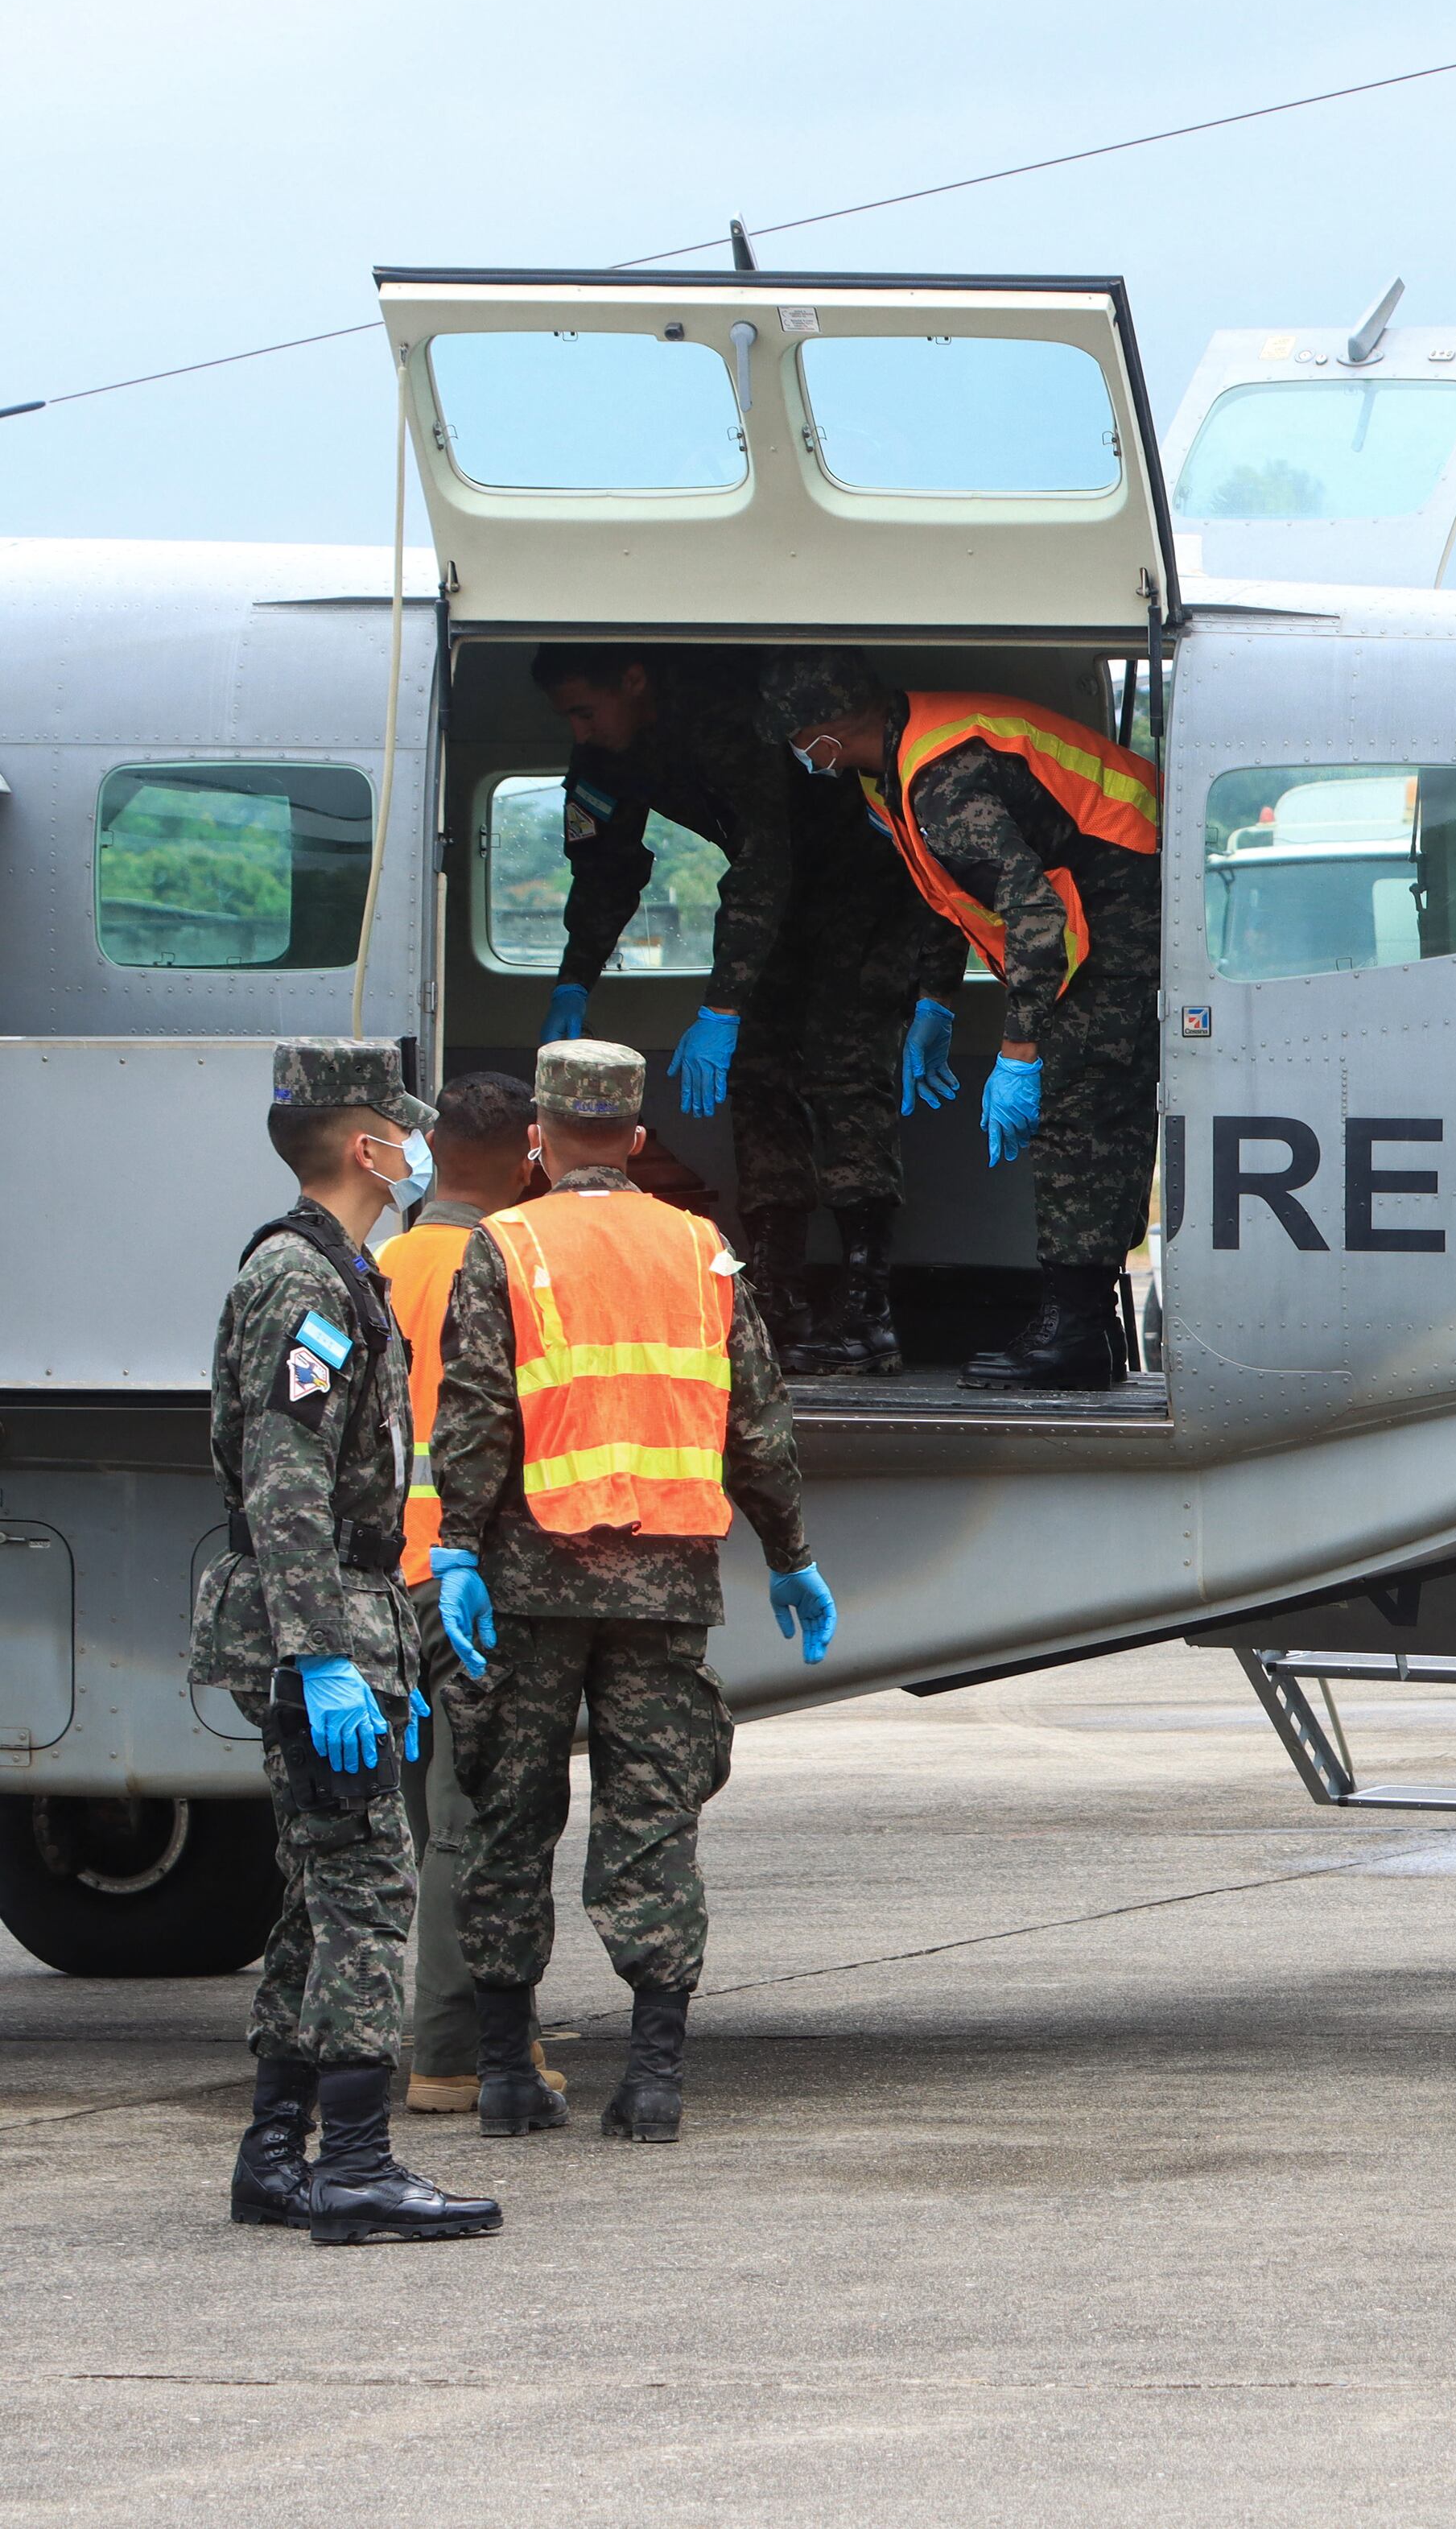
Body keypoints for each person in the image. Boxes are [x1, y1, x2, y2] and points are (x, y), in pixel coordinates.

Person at [426, 1041, 837, 2144]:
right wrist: (790, 1549)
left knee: (509, 1817)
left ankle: (510, 2074)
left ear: (536, 1141)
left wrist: (456, 1548)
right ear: (641, 1140)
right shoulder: (701, 1249)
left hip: (528, 1580)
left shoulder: (505, 1246)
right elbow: (758, 1417)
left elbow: (474, 1412)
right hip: (667, 1586)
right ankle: (653, 2081)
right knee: (653, 1819)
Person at [198, 1039, 501, 2245]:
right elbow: (285, 1478)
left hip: (349, 1618)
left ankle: (277, 2155)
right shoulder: (307, 1281)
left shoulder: (338, 1268)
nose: (420, 1144)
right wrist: (322, 1652)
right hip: (318, 1626)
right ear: (369, 1146)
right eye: (404, 1126)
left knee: (313, 1900)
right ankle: (360, 2163)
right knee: (370, 1892)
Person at [532, 645, 950, 1363]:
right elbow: (606, 867)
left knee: (845, 1079)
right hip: (775, 919)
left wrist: (722, 1007)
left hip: (863, 898)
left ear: (636, 677)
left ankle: (866, 1309)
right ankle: (777, 1295)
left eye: (585, 710)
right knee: (759, 1086)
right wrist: (575, 979)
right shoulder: (609, 756)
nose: (580, 731)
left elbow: (765, 858)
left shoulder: (725, 717)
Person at [757, 653, 1157, 1391]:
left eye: (796, 735)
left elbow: (1036, 916)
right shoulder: (894, 775)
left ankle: (1075, 1331)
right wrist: (937, 999)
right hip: (1102, 888)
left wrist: (1019, 1048)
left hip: (1130, 886)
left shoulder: (941, 779)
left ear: (832, 730)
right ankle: (1086, 1325)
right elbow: (949, 891)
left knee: (1082, 1103)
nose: (795, 752)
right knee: (1084, 1102)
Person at [377, 1070, 568, 2118]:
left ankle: (470, 2035)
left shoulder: (378, 1265)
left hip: (385, 1583)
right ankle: (452, 2052)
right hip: (474, 1586)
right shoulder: (517, 1268)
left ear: (431, 1150)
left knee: (424, 1829)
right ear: (526, 1149)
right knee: (479, 1829)